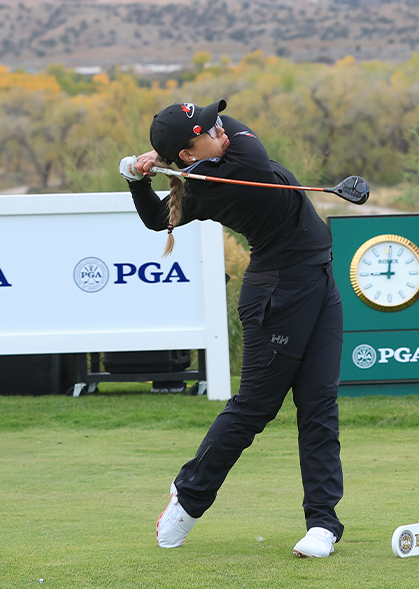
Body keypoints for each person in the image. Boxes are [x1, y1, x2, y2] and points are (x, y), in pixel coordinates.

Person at [121, 99, 345, 559]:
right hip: (279, 294)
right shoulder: (237, 168)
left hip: (318, 280)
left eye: (216, 121)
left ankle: (323, 523)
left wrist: (141, 174)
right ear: (189, 153)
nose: (221, 127)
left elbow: (152, 216)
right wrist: (153, 167)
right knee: (255, 408)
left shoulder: (205, 174)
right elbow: (241, 135)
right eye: (208, 128)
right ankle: (188, 497)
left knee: (319, 404)